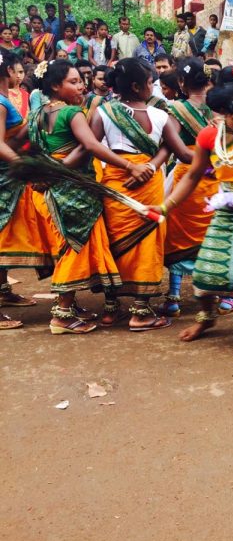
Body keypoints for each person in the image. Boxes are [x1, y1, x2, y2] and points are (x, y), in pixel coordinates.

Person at [161, 82, 233, 354]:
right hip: (226, 206)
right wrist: (165, 207)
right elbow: (193, 175)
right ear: (222, 114)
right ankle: (207, 319)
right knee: (205, 270)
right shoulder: (208, 136)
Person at [26, 59, 129, 334]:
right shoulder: (73, 113)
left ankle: (68, 307)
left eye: (80, 80)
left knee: (65, 247)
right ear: (55, 86)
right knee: (77, 246)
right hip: (71, 189)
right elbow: (91, 145)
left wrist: (45, 172)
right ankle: (61, 313)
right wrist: (130, 166)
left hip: (45, 191)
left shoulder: (35, 114)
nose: (81, 85)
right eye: (73, 81)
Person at [89, 58, 192, 330]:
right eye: (150, 83)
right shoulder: (161, 116)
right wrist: (151, 165)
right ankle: (141, 310)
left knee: (115, 241)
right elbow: (178, 151)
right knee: (147, 244)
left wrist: (133, 166)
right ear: (136, 86)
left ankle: (111, 308)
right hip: (148, 188)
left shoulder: (104, 112)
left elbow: (92, 146)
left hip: (116, 186)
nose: (154, 87)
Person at [157, 58, 220, 317]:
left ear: (181, 83)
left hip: (188, 177)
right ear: (208, 81)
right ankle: (221, 296)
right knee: (215, 234)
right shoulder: (220, 107)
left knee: (178, 234)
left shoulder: (175, 110)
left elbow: (177, 150)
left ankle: (173, 296)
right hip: (218, 176)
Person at [0, 49, 51, 329]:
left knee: (5, 237)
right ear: (8, 71)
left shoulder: (6, 99)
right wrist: (27, 166)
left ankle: (4, 293)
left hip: (10, 176)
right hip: (6, 177)